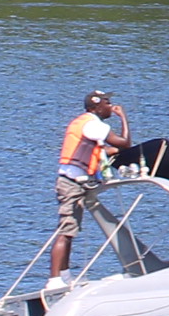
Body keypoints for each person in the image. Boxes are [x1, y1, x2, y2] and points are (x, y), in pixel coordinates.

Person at [48, 91, 126, 278]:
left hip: (76, 183)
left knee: (70, 231)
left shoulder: (86, 125)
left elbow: (108, 149)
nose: (111, 106)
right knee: (66, 232)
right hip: (71, 184)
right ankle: (55, 280)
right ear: (95, 108)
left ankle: (64, 276)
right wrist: (123, 117)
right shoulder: (92, 125)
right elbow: (124, 143)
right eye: (107, 103)